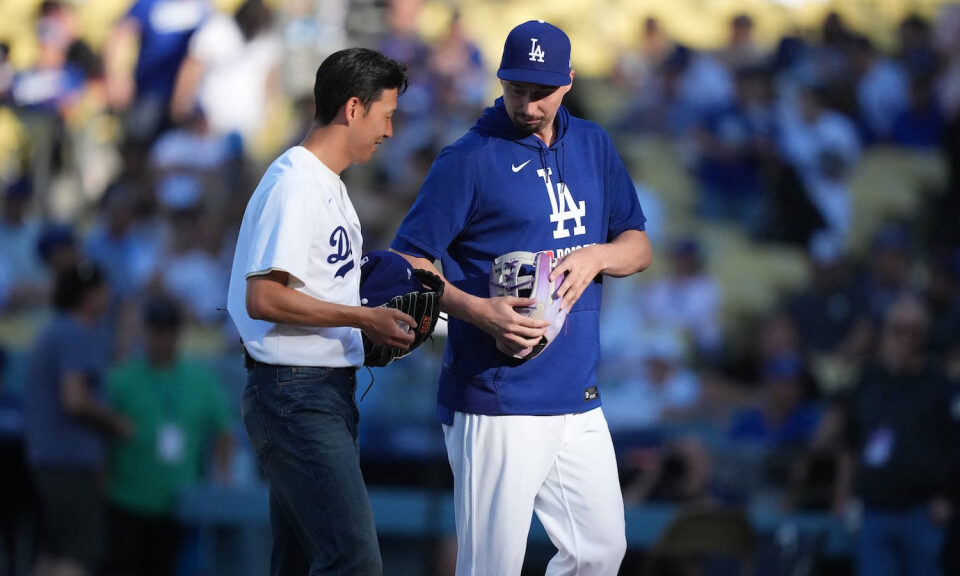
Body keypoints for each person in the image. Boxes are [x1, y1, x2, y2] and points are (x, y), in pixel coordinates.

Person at [390, 20, 652, 575]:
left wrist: (599, 255)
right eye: (516, 89)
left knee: (600, 552)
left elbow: (637, 245)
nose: (528, 104)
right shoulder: (468, 158)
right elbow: (406, 264)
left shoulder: (595, 145)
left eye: (542, 91)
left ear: (569, 83)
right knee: (491, 567)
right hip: (497, 394)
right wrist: (476, 311)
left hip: (576, 392)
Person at [226, 48, 415, 575]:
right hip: (293, 392)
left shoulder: (325, 183)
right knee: (352, 561)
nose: (390, 131)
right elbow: (263, 297)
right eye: (387, 115)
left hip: (316, 391)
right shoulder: (296, 182)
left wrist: (371, 327)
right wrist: (363, 319)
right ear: (353, 108)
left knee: (302, 561)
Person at [105, 295, 233, 576]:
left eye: (168, 331)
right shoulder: (122, 379)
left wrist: (222, 476)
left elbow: (224, 430)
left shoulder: (199, 379)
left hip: (179, 503)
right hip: (128, 500)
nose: (161, 339)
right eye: (155, 331)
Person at [24, 260, 132, 576]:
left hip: (50, 460)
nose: (108, 295)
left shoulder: (57, 329)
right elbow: (75, 400)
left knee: (52, 551)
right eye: (101, 290)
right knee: (75, 554)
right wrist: (116, 423)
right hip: (70, 462)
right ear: (87, 296)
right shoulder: (76, 332)